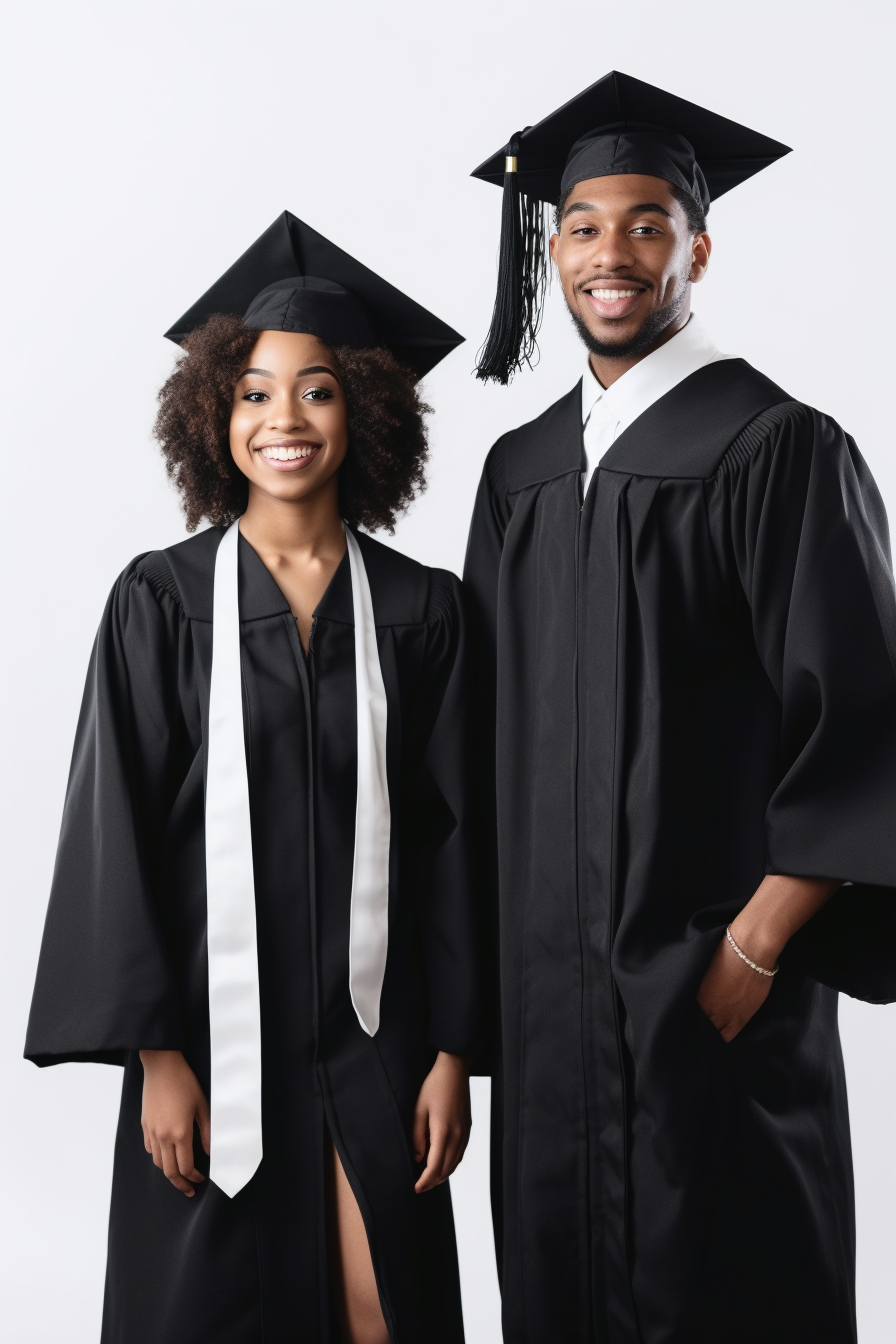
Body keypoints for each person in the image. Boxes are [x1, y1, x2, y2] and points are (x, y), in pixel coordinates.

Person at [464, 71, 896, 1344]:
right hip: (548, 1028)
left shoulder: (775, 448)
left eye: (646, 223)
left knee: (727, 1285)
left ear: (695, 245)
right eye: (584, 225)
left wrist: (752, 952)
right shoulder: (520, 472)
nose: (613, 254)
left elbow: (866, 725)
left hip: (706, 997)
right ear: (549, 248)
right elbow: (472, 736)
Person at [26, 210, 478, 1344]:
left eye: (317, 390)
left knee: (389, 1306)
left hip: (379, 1037)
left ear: (363, 410)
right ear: (213, 415)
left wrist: (454, 1051)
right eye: (254, 393)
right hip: (216, 1038)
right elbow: (113, 832)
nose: (284, 419)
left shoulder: (423, 612)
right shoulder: (161, 602)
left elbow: (455, 839)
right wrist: (157, 1058)